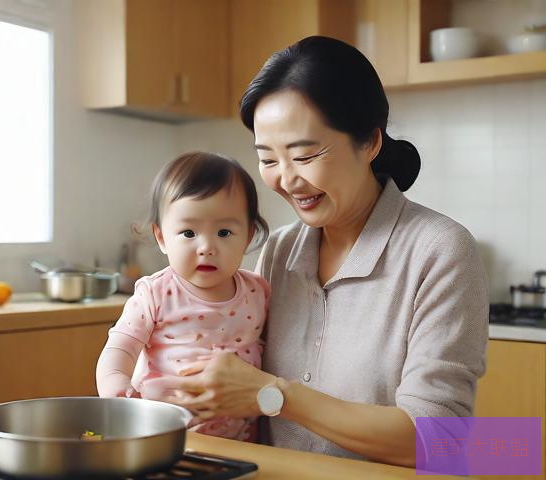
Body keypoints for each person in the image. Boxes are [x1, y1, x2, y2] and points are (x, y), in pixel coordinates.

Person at [161, 36, 488, 467]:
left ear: (370, 142)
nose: (287, 180)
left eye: (305, 154)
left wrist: (271, 394)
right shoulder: (278, 250)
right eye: (269, 159)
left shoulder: (441, 250)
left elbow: (442, 440)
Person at [96, 152, 270, 442]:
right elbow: (122, 347)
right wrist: (116, 385)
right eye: (189, 232)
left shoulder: (258, 292)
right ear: (162, 237)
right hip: (163, 436)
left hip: (241, 438)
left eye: (224, 232)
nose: (206, 247)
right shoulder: (155, 293)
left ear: (248, 237)